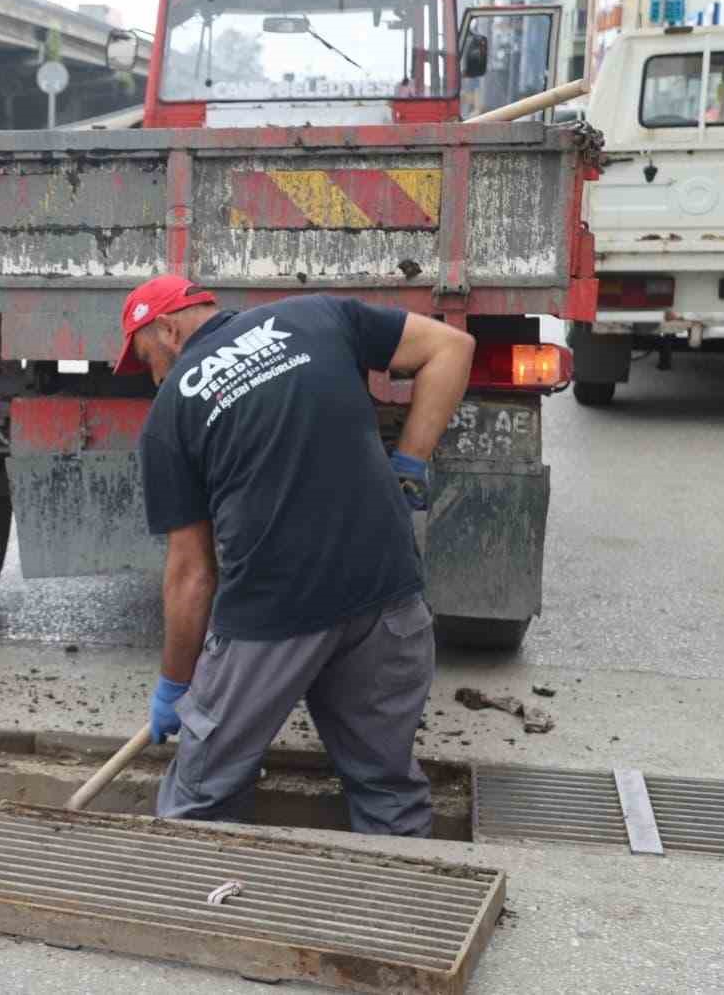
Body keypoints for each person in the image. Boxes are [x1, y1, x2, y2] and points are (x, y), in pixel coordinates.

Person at [113, 274, 475, 836]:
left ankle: (201, 898)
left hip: (272, 615)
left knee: (198, 796)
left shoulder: (171, 413)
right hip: (386, 596)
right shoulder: (315, 315)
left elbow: (191, 574)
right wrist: (409, 462)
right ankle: (406, 905)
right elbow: (453, 346)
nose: (155, 377)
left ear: (168, 328)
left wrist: (175, 684)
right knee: (387, 788)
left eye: (148, 360)